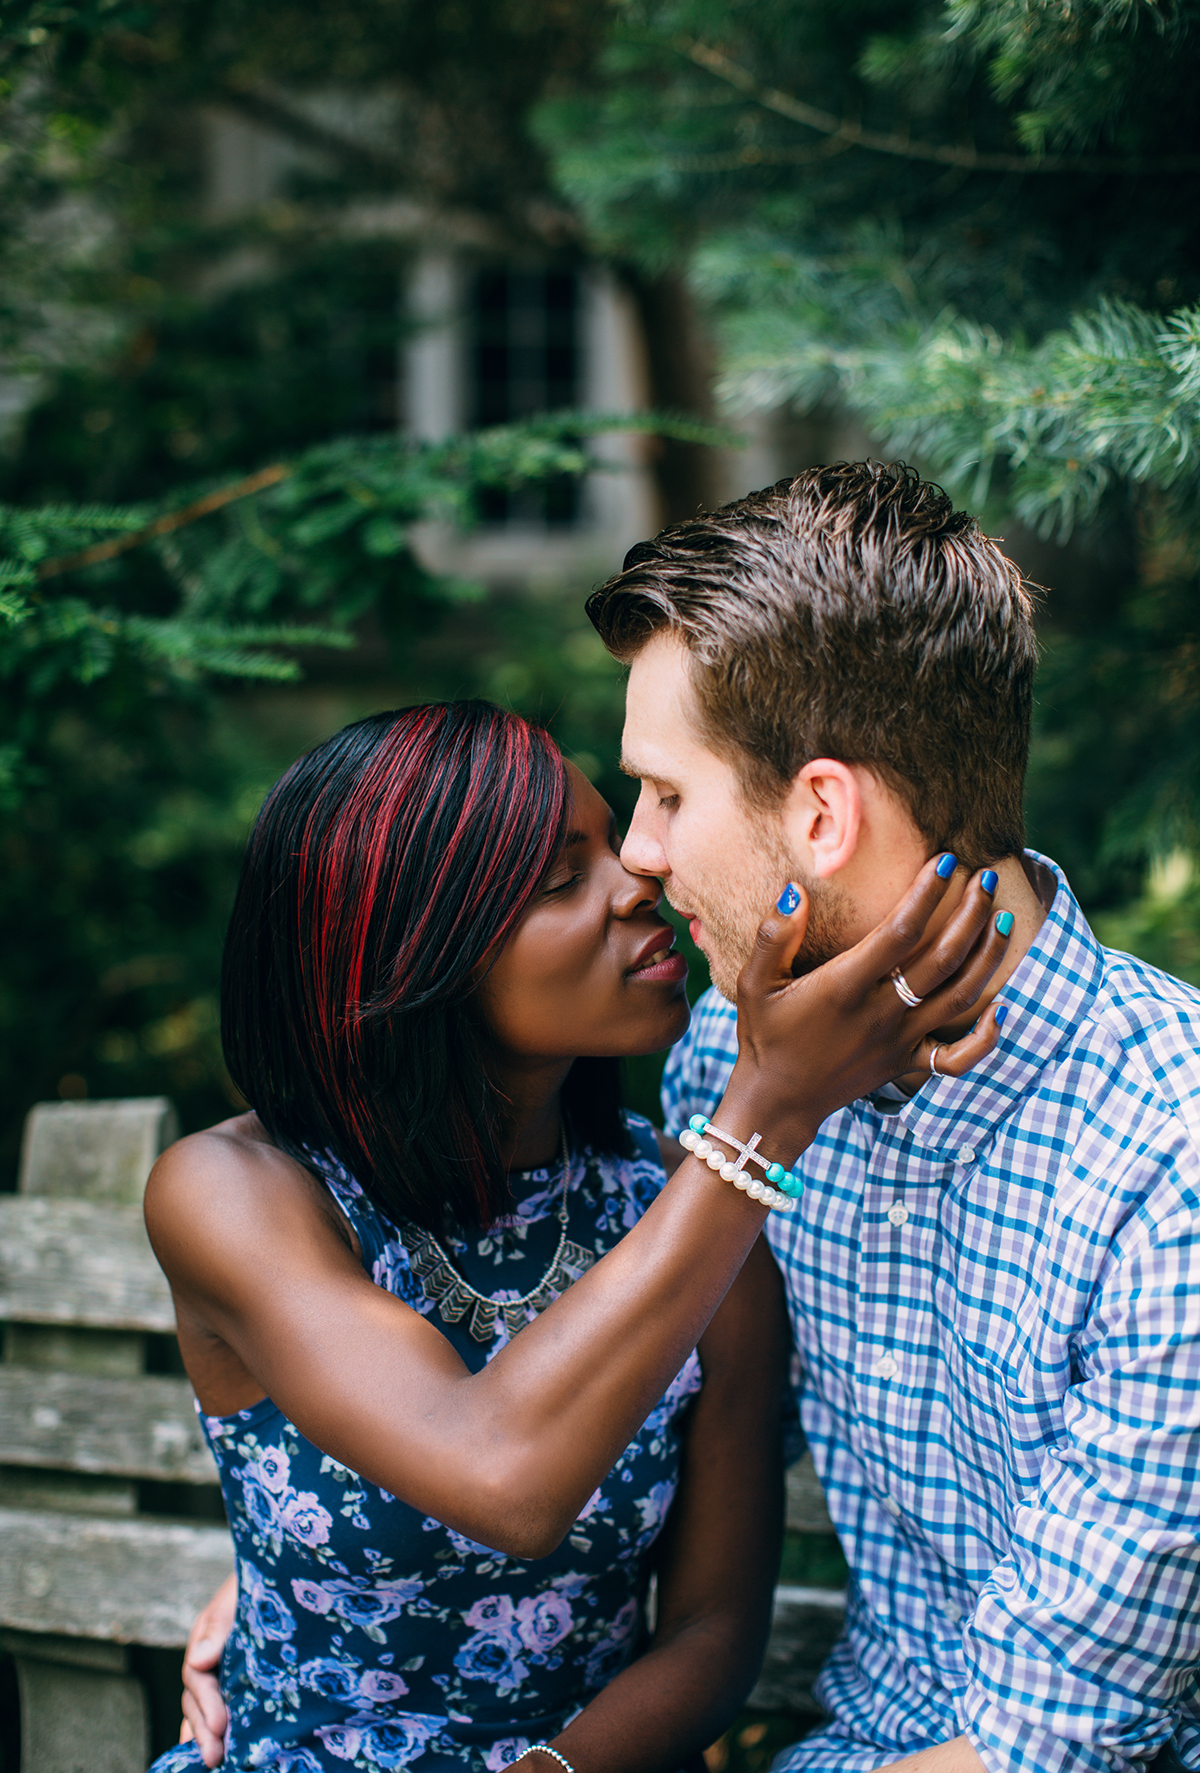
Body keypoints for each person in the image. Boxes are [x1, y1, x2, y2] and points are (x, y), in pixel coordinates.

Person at [152, 696, 1006, 1773]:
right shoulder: (238, 1193)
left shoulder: (683, 1213)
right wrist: (767, 1111)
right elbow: (502, 1477)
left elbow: (710, 1632)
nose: (639, 880)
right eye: (564, 877)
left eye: (617, 840)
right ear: (416, 950)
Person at [584, 461, 1200, 1773]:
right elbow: (641, 1437)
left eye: (670, 796)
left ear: (821, 815)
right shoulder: (736, 1068)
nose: (639, 854)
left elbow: (1044, 1751)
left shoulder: (1172, 1163)